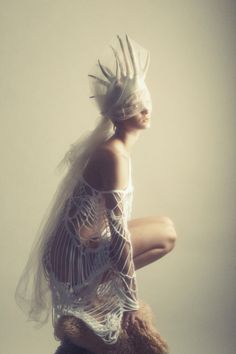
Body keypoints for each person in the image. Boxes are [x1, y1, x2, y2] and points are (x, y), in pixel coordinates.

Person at [14, 34, 177, 349]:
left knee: (167, 229)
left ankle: (99, 288)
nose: (145, 110)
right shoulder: (113, 155)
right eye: (135, 106)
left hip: (86, 248)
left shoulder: (115, 150)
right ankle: (96, 292)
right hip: (75, 258)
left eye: (146, 103)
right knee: (165, 235)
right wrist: (129, 302)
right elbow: (118, 236)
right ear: (119, 114)